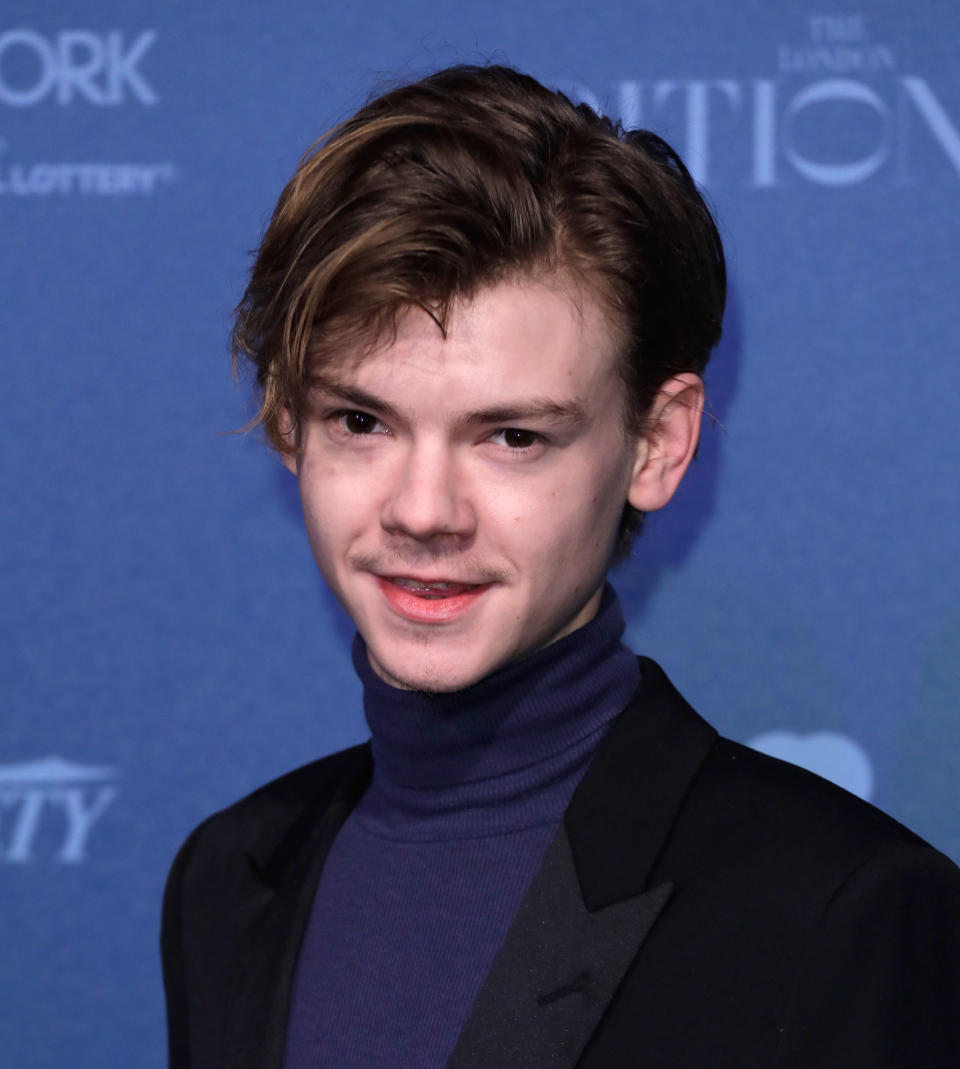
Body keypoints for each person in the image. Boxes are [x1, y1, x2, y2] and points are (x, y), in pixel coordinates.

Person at [161, 64, 960, 1068]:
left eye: (511, 438)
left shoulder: (841, 908)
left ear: (657, 444)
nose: (421, 512)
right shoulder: (228, 879)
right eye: (361, 421)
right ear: (289, 422)